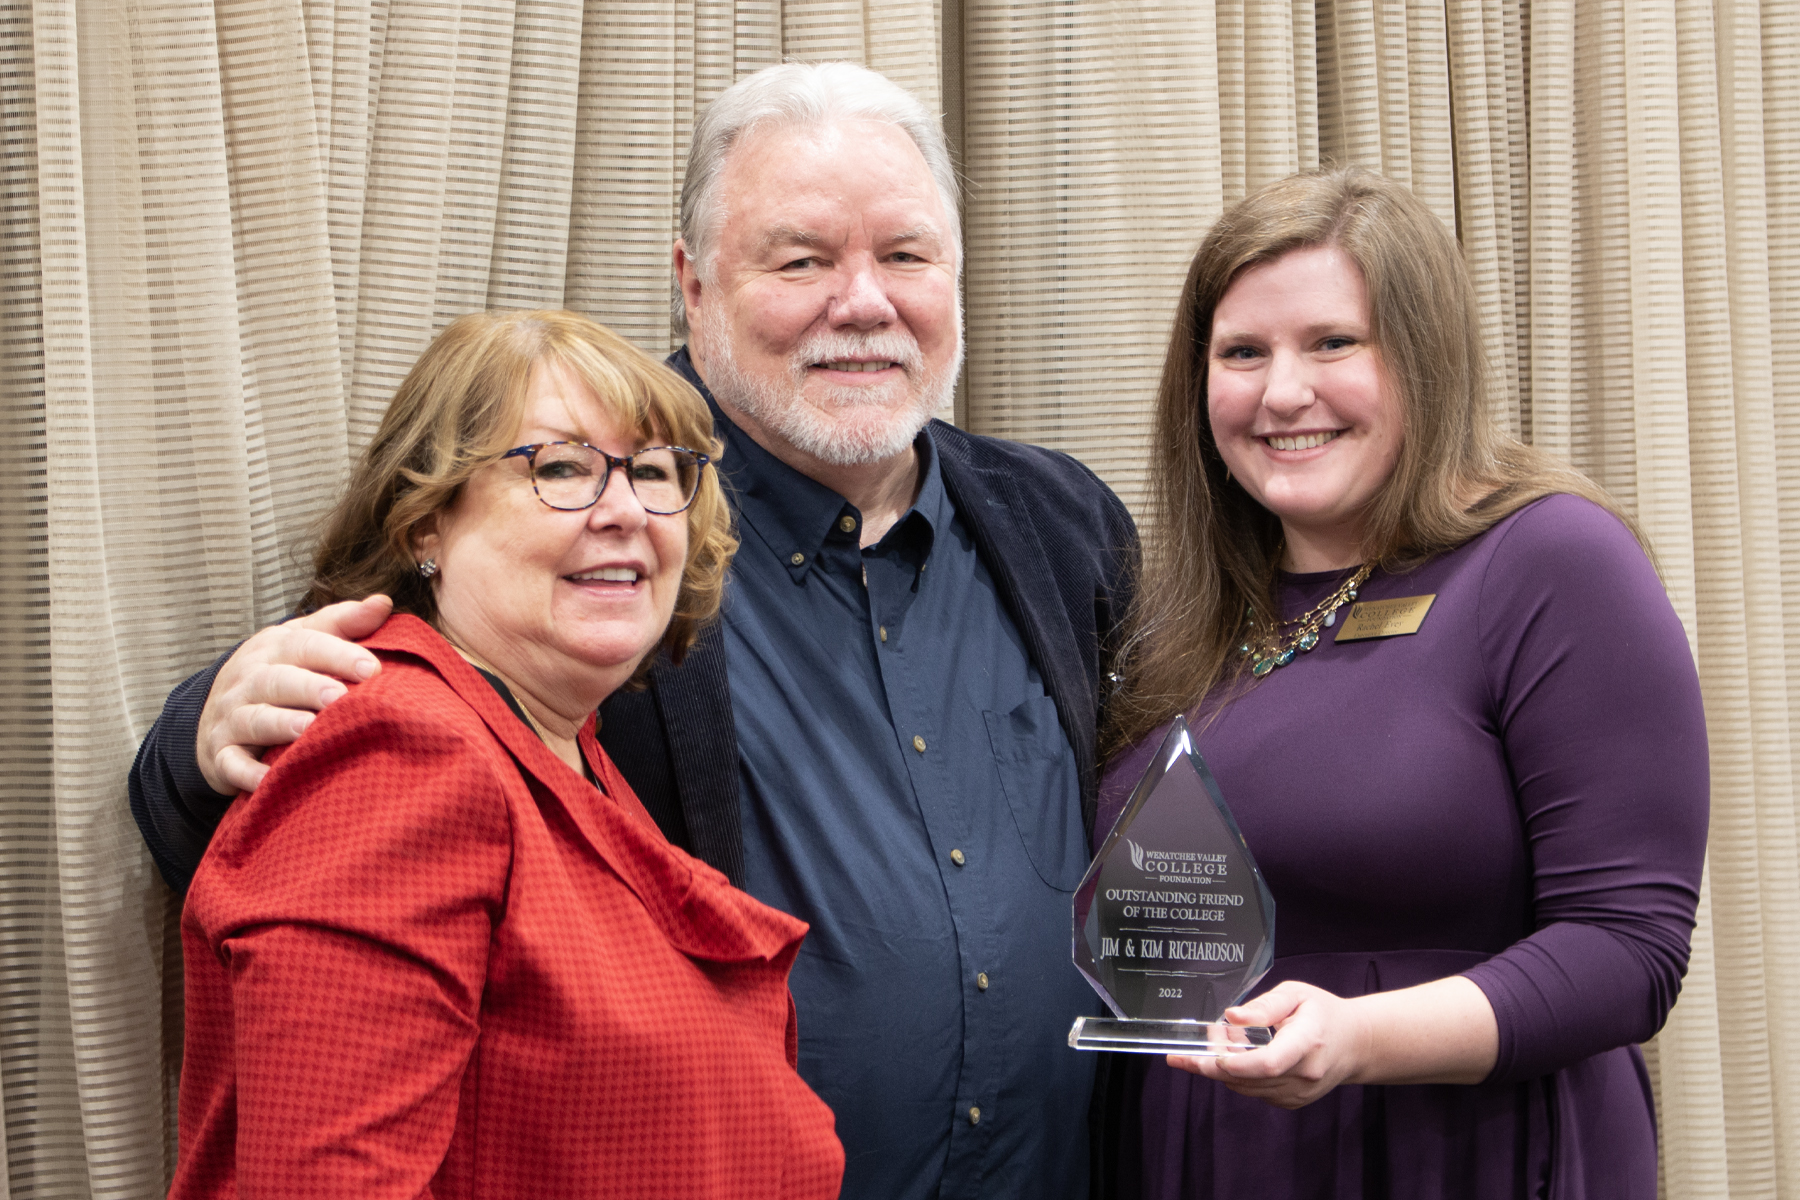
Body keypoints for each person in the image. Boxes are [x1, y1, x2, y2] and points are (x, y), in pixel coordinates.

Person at [131, 64, 1138, 1199]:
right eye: (800, 259)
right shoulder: (606, 537)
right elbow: (370, 728)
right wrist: (206, 731)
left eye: (904, 255)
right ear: (694, 286)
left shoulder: (1061, 523)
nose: (862, 301)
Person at [1097, 167, 1708, 1198]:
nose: (1282, 392)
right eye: (1242, 353)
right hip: (1214, 1158)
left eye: (1333, 343)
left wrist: (1359, 1037)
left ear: (1423, 357)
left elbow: (1628, 951)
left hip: (1465, 1155)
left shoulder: (1553, 561)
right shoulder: (1182, 612)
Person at [169, 309, 843, 1197]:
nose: (625, 512)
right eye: (560, 468)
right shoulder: (400, 756)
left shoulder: (567, 750)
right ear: (425, 524)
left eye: (651, 471)